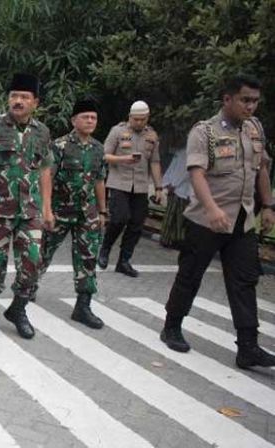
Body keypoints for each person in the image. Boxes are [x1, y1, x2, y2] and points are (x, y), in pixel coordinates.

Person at [161, 74, 275, 369]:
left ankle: (248, 346)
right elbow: (196, 172)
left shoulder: (255, 129)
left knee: (244, 281)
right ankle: (172, 326)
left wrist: (269, 207)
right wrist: (211, 208)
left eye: (255, 101)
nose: (251, 106)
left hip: (242, 220)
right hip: (205, 220)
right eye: (245, 100)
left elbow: (262, 168)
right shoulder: (205, 132)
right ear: (227, 99)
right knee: (190, 274)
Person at [0, 73, 54, 339]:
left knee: (33, 262)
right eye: (14, 96)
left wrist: (47, 208)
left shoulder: (42, 132)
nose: (18, 101)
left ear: (35, 102)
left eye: (24, 97)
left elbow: (45, 170)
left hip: (30, 210)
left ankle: (18, 308)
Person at [37, 98, 107, 329]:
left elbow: (99, 180)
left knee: (88, 257)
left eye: (93, 117)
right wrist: (45, 209)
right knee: (43, 252)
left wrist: (102, 211)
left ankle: (83, 306)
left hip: (87, 214)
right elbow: (46, 177)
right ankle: (27, 289)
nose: (90, 121)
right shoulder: (60, 146)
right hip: (59, 211)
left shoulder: (98, 148)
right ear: (73, 120)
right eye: (85, 117)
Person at [98, 100, 163, 277]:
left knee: (136, 225)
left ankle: (124, 261)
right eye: (136, 119)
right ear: (130, 117)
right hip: (119, 182)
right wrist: (123, 160)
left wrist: (158, 188)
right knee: (119, 219)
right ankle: (104, 249)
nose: (139, 122)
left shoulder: (152, 136)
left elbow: (155, 162)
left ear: (147, 118)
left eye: (143, 119)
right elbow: (104, 155)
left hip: (140, 186)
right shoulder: (117, 131)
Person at [159, 148, 192, 248]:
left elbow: (184, 171)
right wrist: (168, 183)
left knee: (177, 217)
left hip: (183, 189)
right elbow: (173, 168)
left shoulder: (189, 153)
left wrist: (173, 184)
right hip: (176, 188)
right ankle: (169, 239)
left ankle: (174, 240)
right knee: (172, 216)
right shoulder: (181, 151)